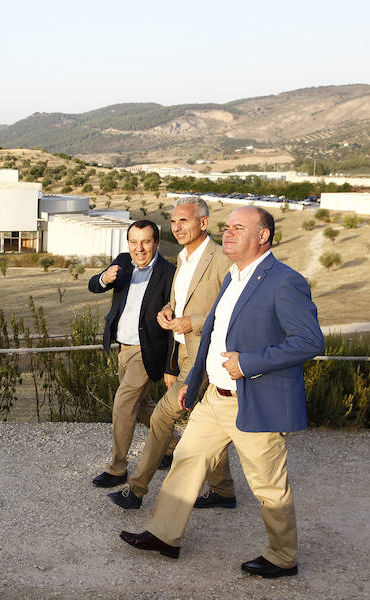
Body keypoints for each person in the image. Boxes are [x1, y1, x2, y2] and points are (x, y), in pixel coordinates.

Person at [120, 206, 324, 579]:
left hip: (256, 400)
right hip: (215, 397)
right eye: (227, 227)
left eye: (239, 228)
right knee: (186, 458)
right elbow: (212, 335)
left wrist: (248, 363)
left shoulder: (284, 281)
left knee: (268, 486)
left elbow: (309, 341)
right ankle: (164, 535)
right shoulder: (233, 276)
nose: (227, 233)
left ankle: (283, 556)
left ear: (263, 236)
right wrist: (194, 382)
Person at [108, 197, 235, 510]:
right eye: (174, 221)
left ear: (203, 223)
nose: (177, 227)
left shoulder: (221, 259)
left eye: (185, 221)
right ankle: (223, 490)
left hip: (206, 358)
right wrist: (167, 312)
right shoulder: (183, 259)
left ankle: (136, 489)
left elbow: (233, 311)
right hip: (184, 355)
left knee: (162, 418)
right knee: (211, 425)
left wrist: (192, 322)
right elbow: (178, 302)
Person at [88, 219, 175, 488]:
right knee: (141, 406)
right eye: (134, 242)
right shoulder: (123, 262)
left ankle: (117, 468)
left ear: (156, 243)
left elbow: (173, 320)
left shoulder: (169, 272)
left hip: (147, 351)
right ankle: (172, 446)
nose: (139, 248)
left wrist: (171, 365)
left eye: (146, 241)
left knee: (123, 405)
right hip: (123, 349)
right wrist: (104, 278)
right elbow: (94, 285)